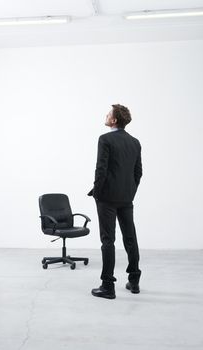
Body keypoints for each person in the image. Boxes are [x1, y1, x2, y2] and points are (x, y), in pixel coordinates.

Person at [88, 104, 143, 299]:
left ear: (114, 120)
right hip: (126, 197)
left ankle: (107, 286)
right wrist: (130, 192)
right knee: (130, 237)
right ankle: (134, 280)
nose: (105, 115)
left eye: (108, 114)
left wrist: (97, 192)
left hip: (107, 198)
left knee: (107, 240)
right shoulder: (135, 142)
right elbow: (138, 173)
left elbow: (100, 169)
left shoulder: (105, 139)